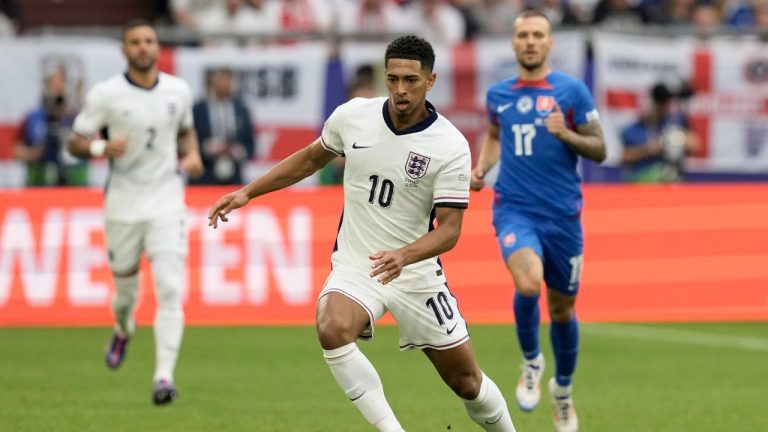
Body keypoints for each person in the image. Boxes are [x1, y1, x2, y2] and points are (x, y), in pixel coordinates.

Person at [208, 35, 517, 432]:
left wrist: (404, 256)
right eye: (392, 79)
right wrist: (249, 191)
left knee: (467, 382)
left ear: (431, 80)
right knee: (332, 328)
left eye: (410, 80)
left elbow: (450, 231)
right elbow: (310, 158)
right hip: (358, 265)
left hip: (416, 274)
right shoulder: (353, 115)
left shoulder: (450, 145)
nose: (401, 90)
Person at [470, 10, 606, 432]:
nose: (529, 41)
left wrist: (566, 134)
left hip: (563, 216)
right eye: (523, 35)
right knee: (528, 283)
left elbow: (600, 149)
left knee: (563, 310)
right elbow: (494, 134)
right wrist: (482, 168)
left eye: (537, 35)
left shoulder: (572, 92)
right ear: (513, 44)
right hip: (514, 208)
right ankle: (531, 361)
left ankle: (562, 392)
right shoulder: (498, 94)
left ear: (549, 43)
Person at [67, 19, 203, 406]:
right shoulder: (106, 94)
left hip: (167, 202)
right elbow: (75, 141)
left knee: (171, 290)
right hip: (123, 206)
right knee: (126, 296)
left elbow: (185, 130)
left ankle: (164, 376)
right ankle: (123, 328)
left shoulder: (178, 89)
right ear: (124, 50)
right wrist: (98, 149)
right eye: (135, 42)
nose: (143, 47)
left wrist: (191, 153)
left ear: (157, 46)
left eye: (149, 41)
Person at [14, 67, 87, 186]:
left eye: (62, 82)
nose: (58, 88)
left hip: (74, 184)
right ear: (46, 86)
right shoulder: (34, 117)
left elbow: (94, 146)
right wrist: (32, 154)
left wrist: (77, 146)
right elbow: (16, 149)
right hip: (40, 181)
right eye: (53, 83)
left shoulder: (79, 118)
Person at [620, 82, 699, 183]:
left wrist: (674, 140)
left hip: (669, 183)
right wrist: (651, 149)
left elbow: (694, 144)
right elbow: (624, 157)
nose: (663, 106)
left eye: (665, 102)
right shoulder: (633, 129)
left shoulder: (672, 124)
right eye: (659, 102)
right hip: (642, 183)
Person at [191, 67, 256, 185]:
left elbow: (251, 145)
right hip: (204, 176)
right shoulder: (198, 109)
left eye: (228, 81)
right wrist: (206, 148)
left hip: (234, 176)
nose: (225, 84)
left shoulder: (242, 109)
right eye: (221, 80)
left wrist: (238, 151)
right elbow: (187, 142)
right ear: (212, 82)